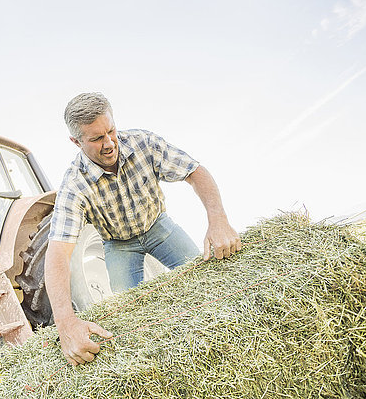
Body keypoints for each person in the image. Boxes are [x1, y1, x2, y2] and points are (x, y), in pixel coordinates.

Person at [45, 92, 241, 366]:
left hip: (159, 228)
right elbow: (58, 253)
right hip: (119, 245)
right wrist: (65, 322)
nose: (109, 142)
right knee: (130, 315)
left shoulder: (143, 143)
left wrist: (218, 220)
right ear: (76, 142)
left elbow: (195, 171)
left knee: (207, 279)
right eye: (97, 138)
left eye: (111, 130)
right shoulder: (74, 186)